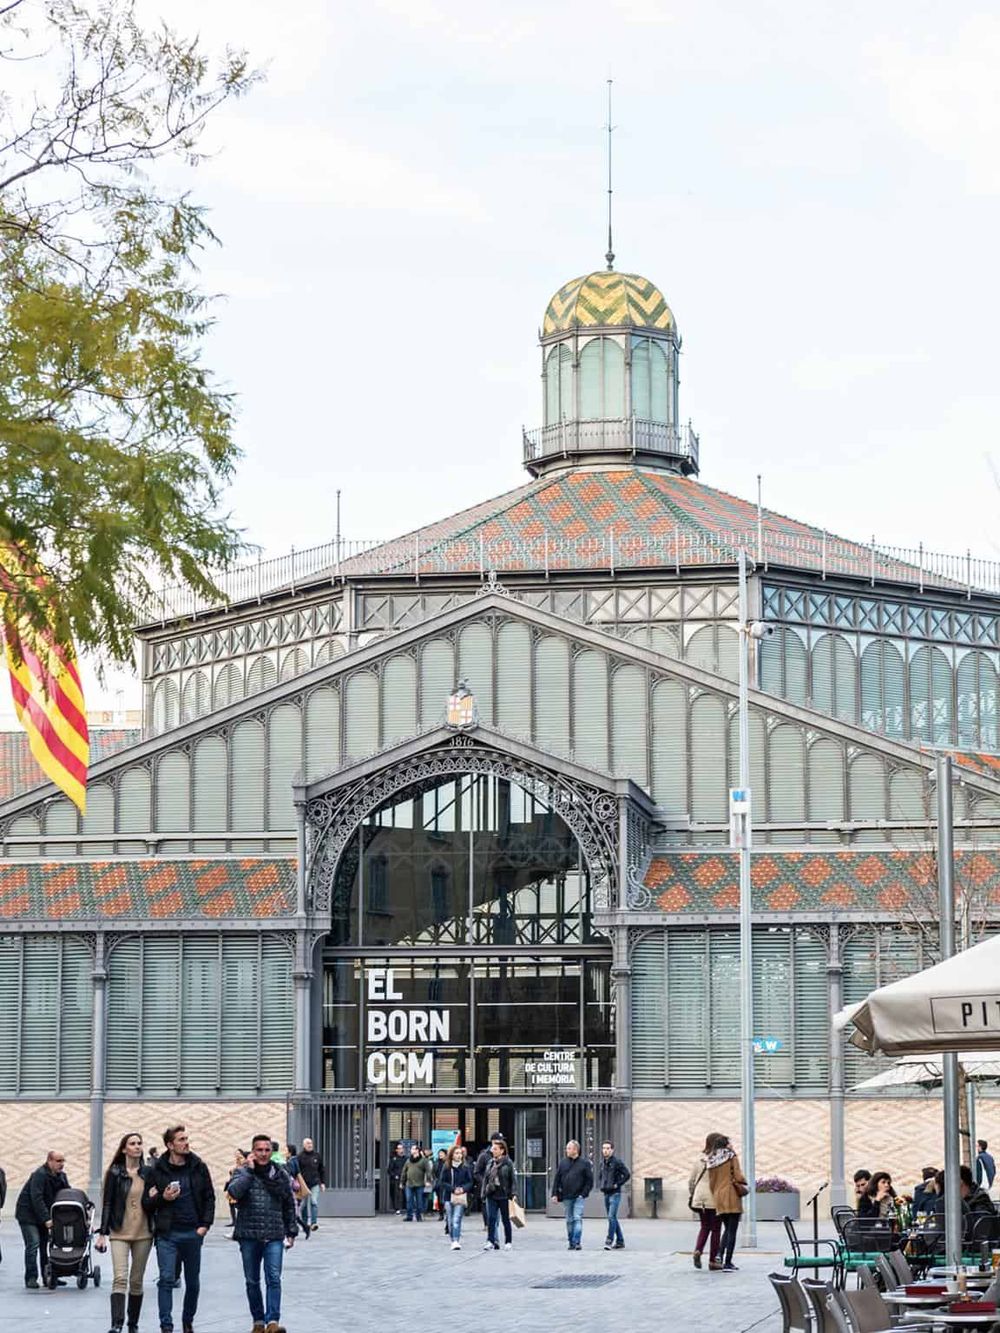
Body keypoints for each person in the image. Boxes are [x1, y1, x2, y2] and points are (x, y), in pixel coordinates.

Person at [143, 1124, 215, 1333]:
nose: (186, 1143)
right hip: (167, 1233)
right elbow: (146, 1203)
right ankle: (166, 1325)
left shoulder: (198, 1165)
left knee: (192, 1283)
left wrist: (205, 1226)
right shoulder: (157, 1170)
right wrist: (161, 1198)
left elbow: (209, 1196)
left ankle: (187, 1321)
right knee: (166, 1278)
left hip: (193, 1232)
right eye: (181, 1140)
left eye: (186, 1139)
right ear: (170, 1145)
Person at [228, 1133, 298, 1333]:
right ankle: (258, 1321)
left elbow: (289, 1205)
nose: (264, 1154)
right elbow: (234, 1193)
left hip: (274, 1234)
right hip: (249, 1235)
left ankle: (273, 1321)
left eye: (267, 1150)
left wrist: (291, 1232)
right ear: (252, 1152)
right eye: (259, 1150)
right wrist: (249, 1172)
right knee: (252, 1280)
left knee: (273, 1278)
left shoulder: (280, 1174)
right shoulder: (242, 1172)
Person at [95, 1132, 153, 1333]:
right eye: (132, 1143)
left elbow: (154, 1203)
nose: (137, 1146)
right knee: (120, 1278)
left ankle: (132, 1324)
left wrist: (156, 1197)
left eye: (139, 1143)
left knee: (136, 1281)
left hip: (144, 1233)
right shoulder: (114, 1172)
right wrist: (102, 1233)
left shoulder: (149, 1173)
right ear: (124, 1149)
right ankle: (117, 1324)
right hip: (119, 1232)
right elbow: (108, 1203)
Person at [15, 1149, 69, 1289]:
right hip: (28, 1214)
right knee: (33, 1244)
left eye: (63, 1161)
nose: (61, 1164)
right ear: (49, 1161)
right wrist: (46, 1219)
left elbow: (68, 1194)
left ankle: (48, 1277)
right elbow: (36, 1198)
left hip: (43, 1215)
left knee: (46, 1247)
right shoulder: (39, 1175)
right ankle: (31, 1278)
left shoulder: (61, 1177)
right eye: (58, 1161)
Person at [707, 1134, 748, 1272]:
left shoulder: (711, 1159)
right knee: (732, 1230)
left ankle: (719, 1254)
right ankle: (728, 1262)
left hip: (718, 1195)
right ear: (726, 1144)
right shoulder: (731, 1156)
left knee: (726, 1228)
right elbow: (738, 1175)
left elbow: (711, 1183)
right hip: (731, 1194)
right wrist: (744, 1181)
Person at [689, 1132, 727, 1271]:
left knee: (705, 1226)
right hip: (714, 1198)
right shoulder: (721, 1161)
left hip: (700, 1198)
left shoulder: (700, 1160)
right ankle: (713, 1261)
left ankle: (698, 1250)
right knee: (716, 1229)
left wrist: (694, 1194)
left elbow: (692, 1181)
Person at [551, 1139, 593, 1252]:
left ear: (575, 1150)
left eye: (569, 1148)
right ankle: (571, 1242)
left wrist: (583, 1194)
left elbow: (589, 1181)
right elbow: (557, 1179)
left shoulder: (584, 1164)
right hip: (566, 1196)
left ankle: (577, 1241)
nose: (567, 1150)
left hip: (579, 1196)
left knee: (577, 1218)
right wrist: (554, 1194)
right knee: (569, 1220)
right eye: (567, 1148)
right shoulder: (563, 1163)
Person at [481, 1138, 516, 1251]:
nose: (493, 1151)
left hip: (504, 1195)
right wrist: (483, 1193)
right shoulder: (490, 1163)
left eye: (495, 1149)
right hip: (492, 1194)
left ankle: (508, 1241)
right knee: (491, 1218)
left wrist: (513, 1193)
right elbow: (485, 1179)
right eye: (492, 1149)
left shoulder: (508, 1163)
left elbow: (513, 1180)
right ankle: (490, 1241)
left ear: (502, 1150)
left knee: (505, 1219)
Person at [440, 1144, 474, 1251]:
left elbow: (470, 1182)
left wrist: (463, 1189)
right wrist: (452, 1189)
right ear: (451, 1154)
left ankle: (456, 1240)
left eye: (460, 1153)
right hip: (448, 1196)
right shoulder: (446, 1167)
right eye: (457, 1153)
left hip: (460, 1196)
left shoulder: (465, 1167)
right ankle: (452, 1239)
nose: (459, 1155)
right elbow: (442, 1182)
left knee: (456, 1219)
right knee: (450, 1220)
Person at [598, 1140, 630, 1251]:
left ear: (612, 1150)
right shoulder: (602, 1163)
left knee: (611, 1217)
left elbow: (627, 1174)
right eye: (604, 1148)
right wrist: (602, 1183)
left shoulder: (617, 1162)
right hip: (606, 1193)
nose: (605, 1150)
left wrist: (617, 1184)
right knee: (612, 1218)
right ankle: (620, 1241)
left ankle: (609, 1240)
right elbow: (601, 1175)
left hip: (615, 1193)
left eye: (608, 1148)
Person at [474, 1133, 507, 1229]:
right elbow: (476, 1172)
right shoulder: (484, 1155)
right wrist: (485, 1182)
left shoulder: (504, 1156)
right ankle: (488, 1225)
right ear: (493, 1141)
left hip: (501, 1189)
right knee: (488, 1209)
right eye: (499, 1140)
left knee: (497, 1215)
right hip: (489, 1188)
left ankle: (494, 1231)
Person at [297, 1138, 325, 1231]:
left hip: (315, 1182)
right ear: (304, 1145)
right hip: (303, 1184)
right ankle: (305, 1224)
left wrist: (322, 1183)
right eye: (308, 1143)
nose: (310, 1145)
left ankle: (314, 1223)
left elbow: (321, 1170)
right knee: (304, 1205)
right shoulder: (300, 1157)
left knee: (314, 1202)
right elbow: (297, 1171)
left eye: (311, 1143)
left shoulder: (317, 1156)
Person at [400, 1144, 432, 1222]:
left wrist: (428, 1180)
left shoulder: (423, 1160)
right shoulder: (408, 1160)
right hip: (409, 1184)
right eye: (411, 1149)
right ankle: (409, 1216)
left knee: (419, 1201)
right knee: (409, 1200)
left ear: (417, 1150)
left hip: (419, 1184)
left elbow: (428, 1171)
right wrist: (402, 1182)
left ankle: (418, 1216)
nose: (411, 1150)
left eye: (413, 1149)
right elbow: (404, 1171)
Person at [225, 1150, 249, 1229]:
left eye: (239, 1153)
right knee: (231, 1205)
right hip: (233, 1185)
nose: (237, 1155)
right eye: (236, 1153)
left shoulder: (243, 1163)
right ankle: (234, 1221)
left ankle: (239, 1221)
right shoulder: (237, 1164)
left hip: (239, 1186)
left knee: (238, 1205)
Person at [387, 1143, 406, 1216]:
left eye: (402, 1148)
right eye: (399, 1148)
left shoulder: (406, 1158)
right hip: (396, 1180)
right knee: (397, 1195)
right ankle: (397, 1209)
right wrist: (395, 1176)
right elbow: (389, 1170)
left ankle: (406, 1208)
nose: (401, 1150)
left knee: (405, 1194)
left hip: (405, 1179)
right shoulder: (393, 1158)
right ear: (396, 1150)